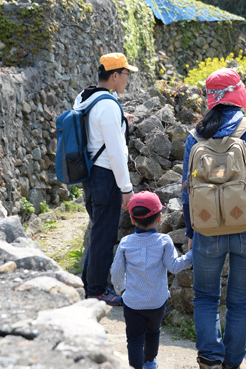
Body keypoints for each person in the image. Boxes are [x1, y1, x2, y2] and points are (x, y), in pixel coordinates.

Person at [182, 68, 246, 369]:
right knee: (240, 302)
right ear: (237, 94)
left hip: (206, 228)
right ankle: (231, 363)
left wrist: (191, 229)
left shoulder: (194, 136)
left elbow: (188, 191)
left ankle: (209, 359)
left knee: (204, 297)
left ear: (211, 98)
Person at [73, 52, 137, 306]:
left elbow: (96, 129)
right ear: (114, 76)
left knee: (98, 230)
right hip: (106, 176)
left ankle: (88, 284)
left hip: (89, 174)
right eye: (125, 74)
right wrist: (127, 188)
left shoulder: (85, 97)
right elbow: (115, 153)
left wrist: (121, 120)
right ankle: (97, 290)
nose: (127, 79)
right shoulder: (109, 105)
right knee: (105, 234)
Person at [111, 191, 193, 369]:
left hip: (133, 302)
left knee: (134, 337)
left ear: (132, 220)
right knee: (153, 332)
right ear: (160, 218)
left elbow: (116, 270)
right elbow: (174, 266)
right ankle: (150, 362)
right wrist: (192, 254)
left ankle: (136, 366)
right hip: (157, 301)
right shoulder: (164, 241)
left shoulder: (126, 243)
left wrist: (120, 289)